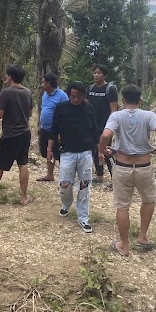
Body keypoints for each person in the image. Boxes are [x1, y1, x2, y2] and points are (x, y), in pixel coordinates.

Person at [99, 85, 156, 255]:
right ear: (140, 100)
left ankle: (124, 245)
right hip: (144, 166)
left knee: (122, 206)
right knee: (148, 200)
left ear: (123, 100)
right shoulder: (149, 115)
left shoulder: (116, 116)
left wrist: (103, 150)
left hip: (122, 166)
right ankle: (143, 237)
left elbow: (106, 135)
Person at [47, 81, 99, 232]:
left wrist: (99, 151)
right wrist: (50, 149)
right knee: (64, 184)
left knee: (84, 185)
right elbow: (54, 129)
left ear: (83, 96)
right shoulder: (61, 108)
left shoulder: (88, 108)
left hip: (85, 152)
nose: (76, 100)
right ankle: (66, 203)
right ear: (69, 95)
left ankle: (83, 217)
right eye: (73, 96)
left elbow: (95, 131)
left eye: (79, 97)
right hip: (67, 152)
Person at [0, 65, 34, 205]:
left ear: (9, 77)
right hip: (25, 133)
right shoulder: (27, 92)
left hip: (11, 135)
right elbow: (30, 113)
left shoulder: (6, 92)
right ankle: (23, 197)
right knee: (23, 164)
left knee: (0, 165)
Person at [88, 64, 118, 184]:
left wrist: (112, 127)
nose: (96, 75)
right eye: (95, 73)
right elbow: (87, 106)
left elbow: (113, 110)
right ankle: (99, 177)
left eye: (99, 73)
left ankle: (115, 178)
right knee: (95, 151)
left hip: (106, 126)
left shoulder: (110, 89)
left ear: (104, 75)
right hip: (92, 125)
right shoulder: (90, 89)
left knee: (106, 151)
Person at [36, 73, 69, 182]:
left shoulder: (62, 96)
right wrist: (40, 125)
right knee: (46, 151)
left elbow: (66, 114)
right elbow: (43, 109)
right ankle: (50, 175)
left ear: (48, 83)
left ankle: (65, 176)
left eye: (43, 82)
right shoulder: (45, 94)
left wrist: (61, 131)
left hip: (56, 130)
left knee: (58, 153)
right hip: (45, 128)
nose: (42, 84)